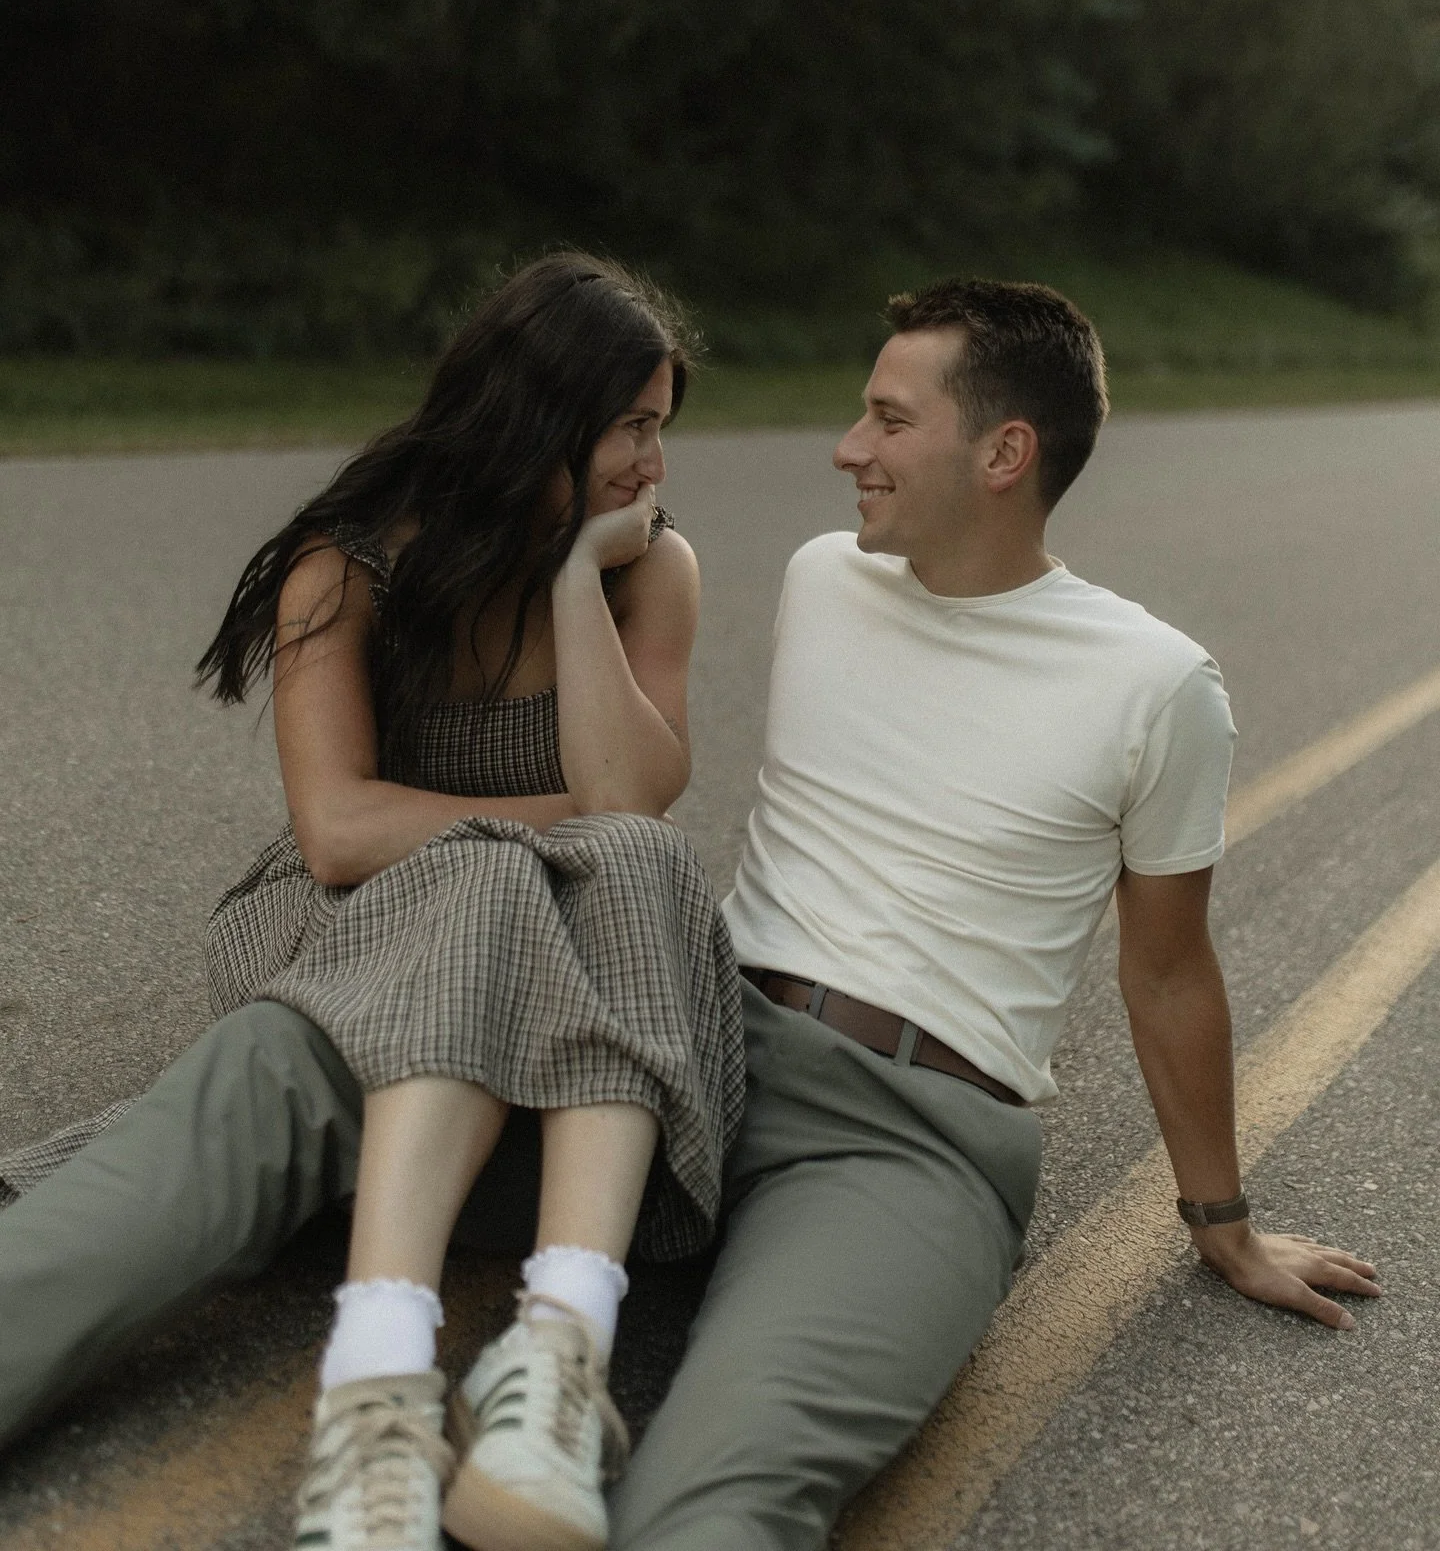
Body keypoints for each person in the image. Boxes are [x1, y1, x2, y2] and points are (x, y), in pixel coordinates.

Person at [1, 275, 1379, 1551]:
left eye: (889, 419)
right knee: (268, 1071)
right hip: (684, 1045)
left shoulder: (1157, 684)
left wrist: (1221, 1216)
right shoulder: (822, 580)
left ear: (1005, 453)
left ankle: (563, 1389)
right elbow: (593, 822)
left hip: (901, 1134)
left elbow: (1170, 972)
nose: (846, 447)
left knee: (714, 1495)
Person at [0, 251, 745, 1551]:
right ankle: (384, 1375)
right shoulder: (347, 569)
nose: (654, 467)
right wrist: (539, 842)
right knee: (506, 874)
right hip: (341, 948)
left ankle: (548, 1369)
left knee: (627, 868)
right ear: (539, 424)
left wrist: (577, 584)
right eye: (631, 429)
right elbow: (340, 832)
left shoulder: (649, 573)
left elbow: (633, 813)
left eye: (660, 429)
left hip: (554, 970)